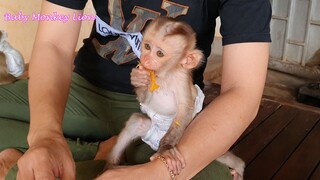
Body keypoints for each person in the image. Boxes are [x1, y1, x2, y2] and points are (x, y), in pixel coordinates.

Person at [0, 0, 271, 179]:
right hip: (82, 88)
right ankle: (96, 153)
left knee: (211, 176)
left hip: (162, 109)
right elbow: (54, 45)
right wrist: (46, 136)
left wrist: (159, 173)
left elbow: (242, 91)